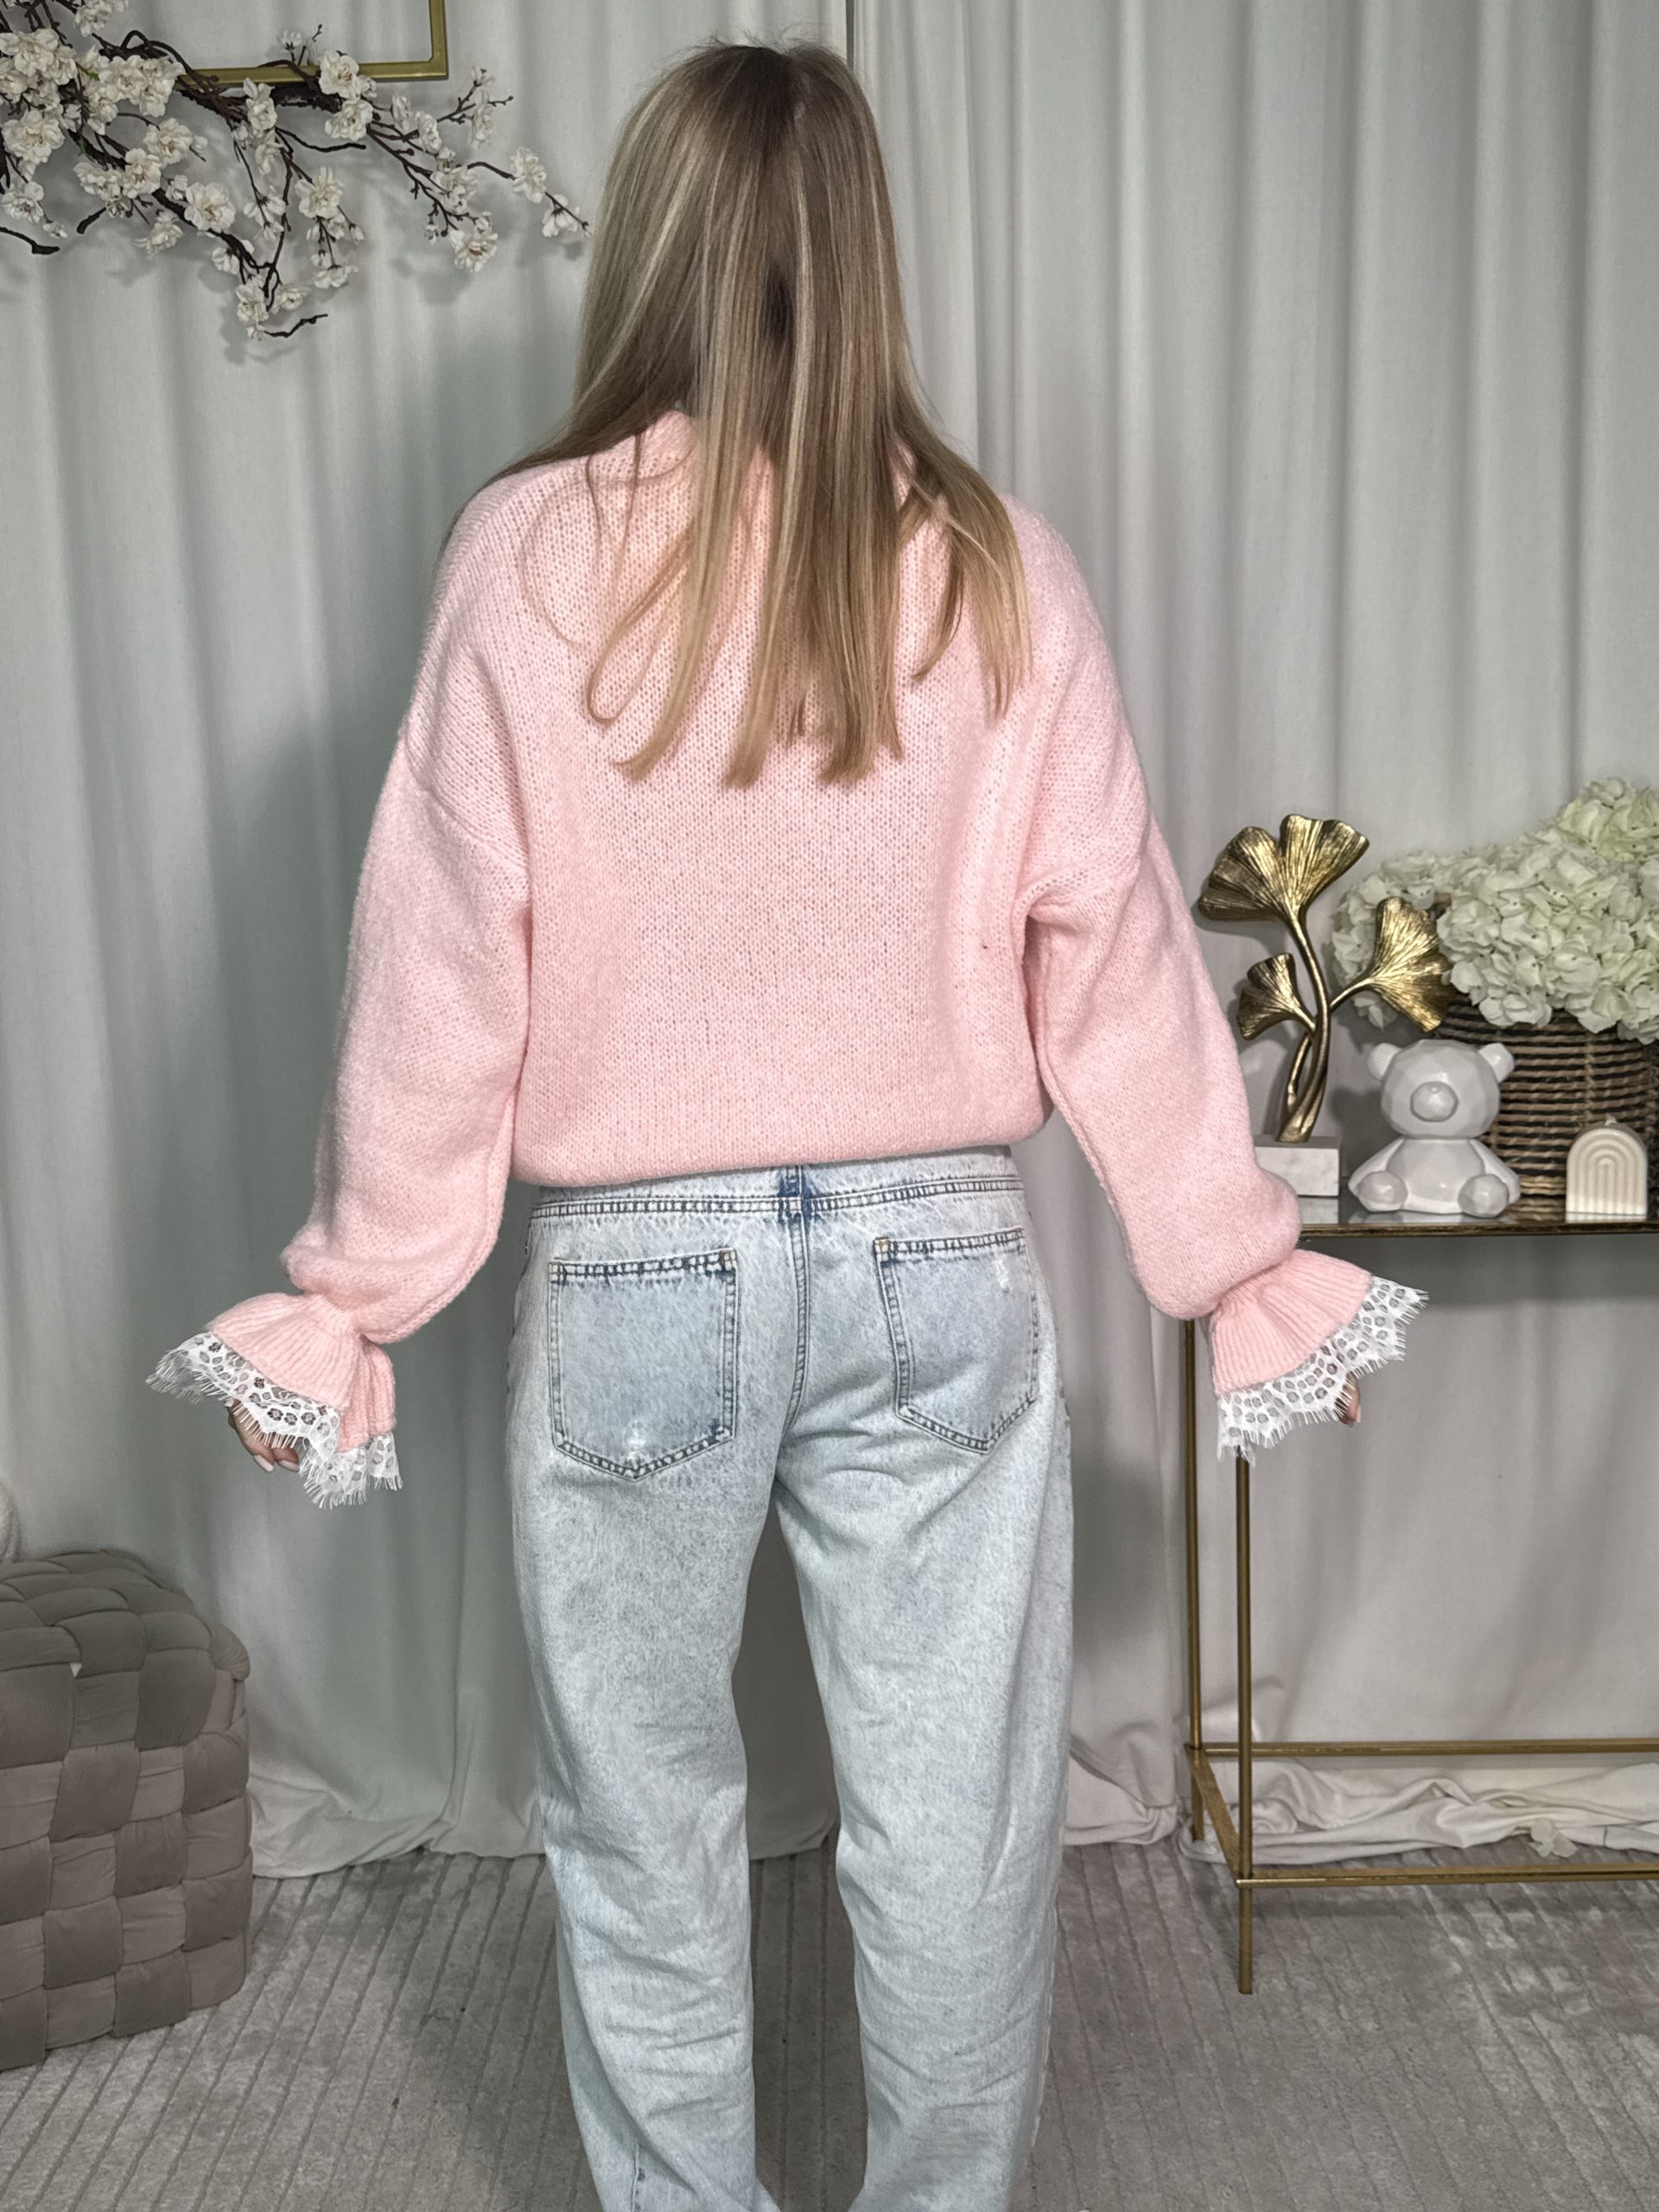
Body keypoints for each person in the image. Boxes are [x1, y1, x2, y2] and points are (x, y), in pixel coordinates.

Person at [148, 35, 1426, 2212]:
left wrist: (360, 1286)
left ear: (648, 243)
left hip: (638, 1277)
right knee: (960, 1817)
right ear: (868, 253)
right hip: (941, 1261)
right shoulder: (999, 562)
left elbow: (440, 961)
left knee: (637, 1818)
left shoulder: (527, 555)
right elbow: (1116, 945)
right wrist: (1226, 1251)